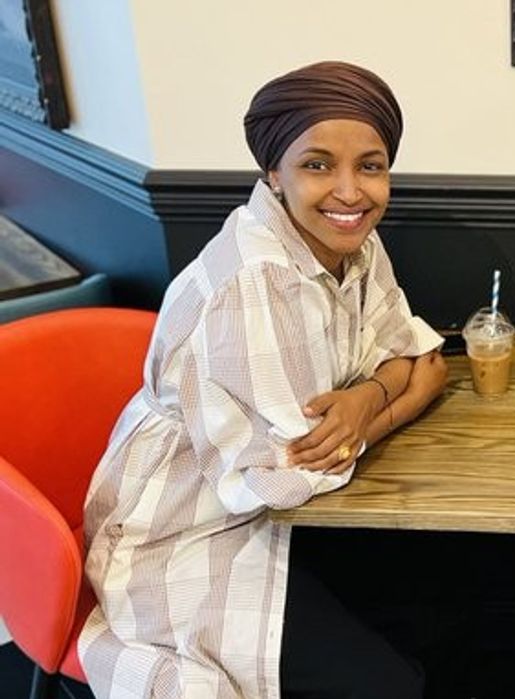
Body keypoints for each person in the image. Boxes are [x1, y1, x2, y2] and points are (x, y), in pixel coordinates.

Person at [78, 61, 447, 699]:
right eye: (317, 164)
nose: (350, 191)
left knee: (443, 609)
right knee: (387, 683)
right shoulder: (254, 280)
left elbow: (409, 351)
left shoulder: (353, 243)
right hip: (181, 531)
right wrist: (391, 402)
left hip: (275, 515)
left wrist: (368, 397)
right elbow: (296, 471)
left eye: (370, 165)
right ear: (272, 172)